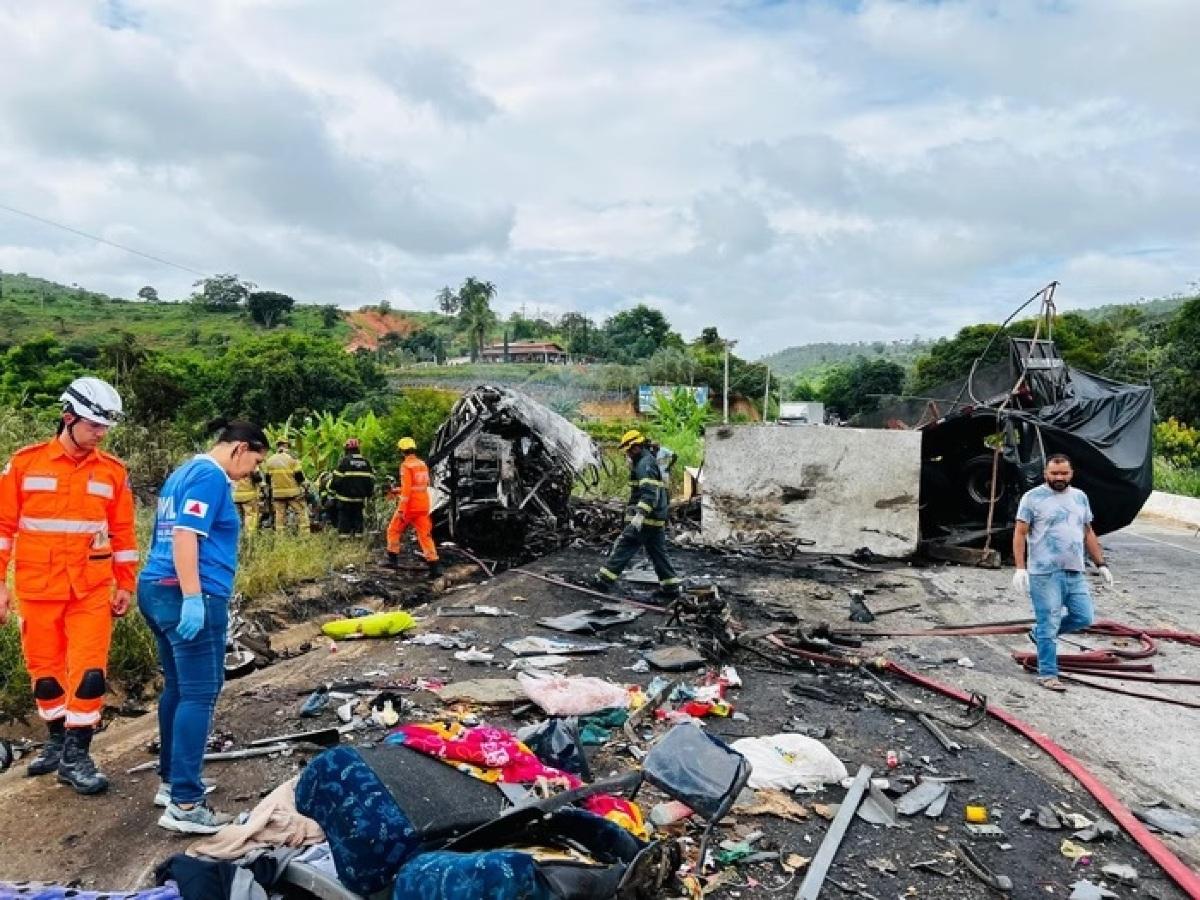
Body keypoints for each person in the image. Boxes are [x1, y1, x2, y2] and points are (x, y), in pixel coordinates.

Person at [0, 376, 138, 794]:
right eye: (94, 425)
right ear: (68, 417)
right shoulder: (24, 465)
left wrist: (125, 585)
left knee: (90, 674)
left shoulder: (113, 473)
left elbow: (124, 534)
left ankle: (77, 756)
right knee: (44, 675)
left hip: (91, 590)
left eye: (105, 428)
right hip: (38, 588)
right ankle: (57, 742)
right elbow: (3, 530)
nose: (100, 434)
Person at [138, 419, 269, 833]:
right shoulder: (211, 478)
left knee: (177, 688)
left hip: (155, 589)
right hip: (186, 594)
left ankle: (172, 782)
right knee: (200, 694)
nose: (252, 471)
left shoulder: (182, 472)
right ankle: (186, 805)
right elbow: (184, 535)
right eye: (255, 460)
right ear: (239, 448)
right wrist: (194, 597)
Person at [1012, 453, 1114, 692]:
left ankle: (1038, 635)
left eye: (1064, 473)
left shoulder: (1080, 497)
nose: (1059, 477)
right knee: (1049, 623)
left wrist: (1101, 564)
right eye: (1054, 473)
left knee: (1084, 617)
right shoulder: (1032, 498)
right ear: (1046, 473)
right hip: (1044, 573)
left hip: (1074, 570)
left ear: (1071, 474)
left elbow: (1087, 531)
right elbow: (1020, 533)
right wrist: (1020, 567)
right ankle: (1048, 673)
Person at [595, 430, 681, 600]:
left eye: (628, 450)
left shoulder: (644, 464)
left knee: (625, 545)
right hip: (655, 518)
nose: (627, 454)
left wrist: (639, 515)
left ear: (635, 448)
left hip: (647, 518)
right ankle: (671, 587)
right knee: (658, 552)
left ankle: (603, 581)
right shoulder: (649, 460)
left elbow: (649, 493)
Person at [386, 437, 441, 575]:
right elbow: (420, 486)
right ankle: (434, 566)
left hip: (409, 507)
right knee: (425, 536)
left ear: (401, 451)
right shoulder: (422, 464)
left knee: (393, 530)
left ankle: (392, 559)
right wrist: (398, 490)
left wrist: (401, 510)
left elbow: (407, 490)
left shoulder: (406, 466)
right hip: (423, 505)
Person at [330, 438, 376, 536]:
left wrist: (333, 491)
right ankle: (358, 538)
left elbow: (336, 481)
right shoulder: (366, 463)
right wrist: (369, 494)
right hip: (359, 499)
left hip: (345, 499)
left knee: (344, 519)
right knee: (358, 517)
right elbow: (371, 481)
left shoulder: (345, 461)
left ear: (347, 449)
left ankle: (345, 540)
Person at [262, 438, 309, 532]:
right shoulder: (292, 458)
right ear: (286, 445)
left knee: (279, 515)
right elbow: (298, 475)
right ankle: (304, 535)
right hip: (293, 492)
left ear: (277, 445)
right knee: (301, 512)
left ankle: (280, 536)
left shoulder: (270, 460)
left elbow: (267, 479)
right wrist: (305, 486)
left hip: (277, 493)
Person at [231, 468, 263, 534]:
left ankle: (238, 537)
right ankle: (249, 536)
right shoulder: (250, 464)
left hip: (236, 496)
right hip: (248, 496)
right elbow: (258, 479)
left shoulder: (233, 465)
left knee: (238, 517)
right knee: (250, 515)